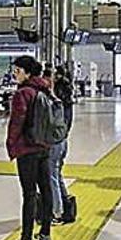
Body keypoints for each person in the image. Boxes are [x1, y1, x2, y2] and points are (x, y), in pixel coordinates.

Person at [4, 55, 53, 240]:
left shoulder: (22, 94)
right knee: (46, 189)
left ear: (27, 73)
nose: (15, 74)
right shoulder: (45, 89)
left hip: (27, 149)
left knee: (29, 194)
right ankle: (45, 235)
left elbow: (17, 123)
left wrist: (11, 145)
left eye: (17, 71)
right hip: (44, 146)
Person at [48, 65, 75, 224]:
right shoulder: (68, 100)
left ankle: (57, 213)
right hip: (64, 141)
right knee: (57, 175)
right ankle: (65, 205)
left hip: (56, 142)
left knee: (52, 176)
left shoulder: (57, 103)